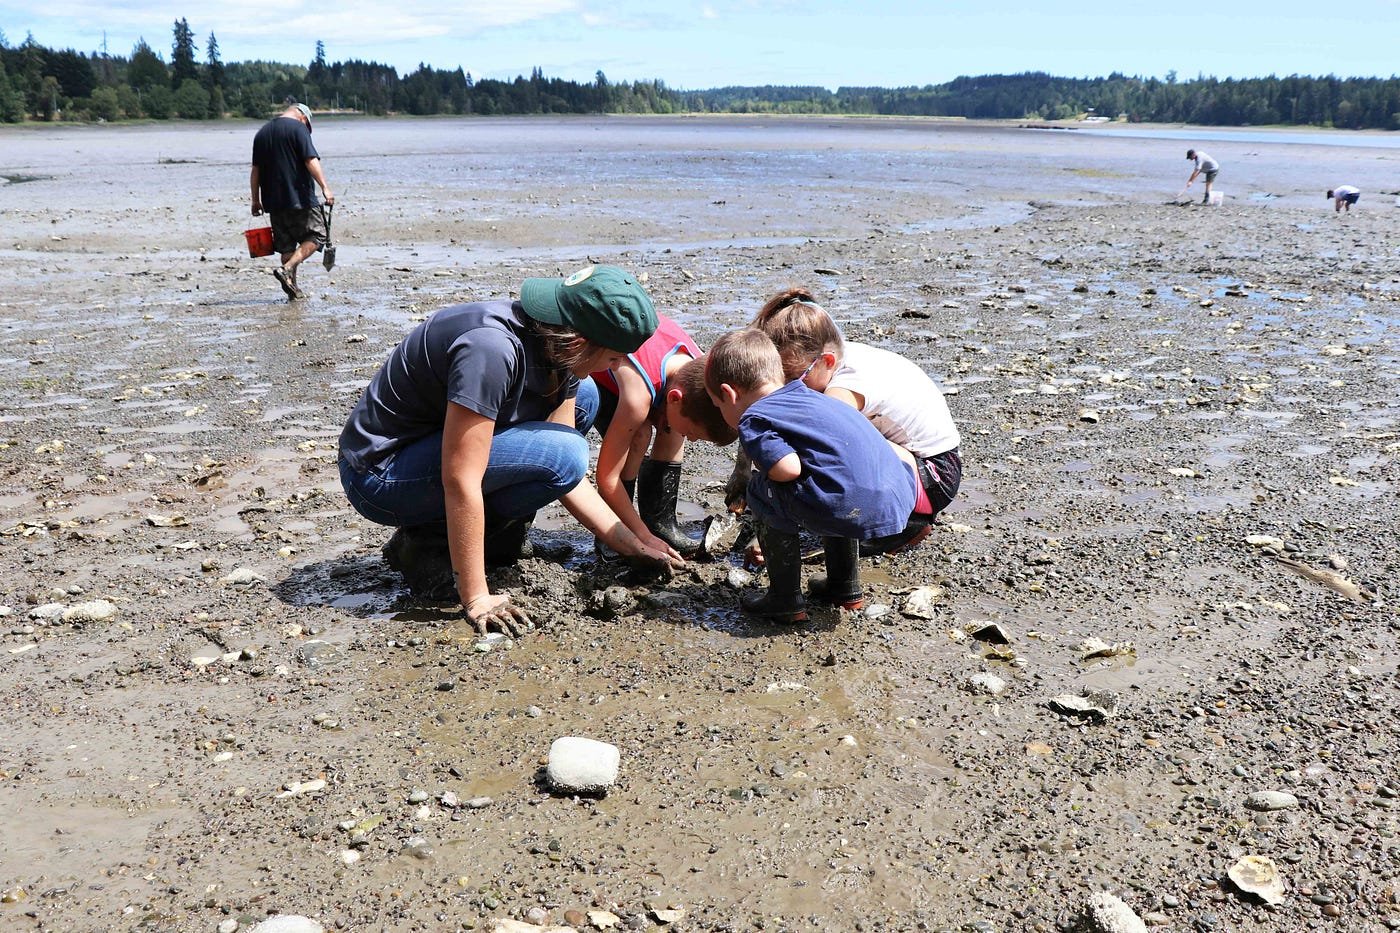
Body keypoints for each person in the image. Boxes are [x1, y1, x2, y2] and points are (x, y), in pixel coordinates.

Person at [338, 264, 680, 636]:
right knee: (565, 453)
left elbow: (564, 472)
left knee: (584, 399)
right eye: (613, 358)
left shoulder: (556, 344)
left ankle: (493, 538)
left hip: (429, 451)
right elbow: (462, 478)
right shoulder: (490, 350)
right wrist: (476, 596)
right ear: (580, 341)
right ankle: (428, 544)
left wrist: (631, 541)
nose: (615, 368)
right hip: (379, 475)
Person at [729, 287, 962, 558]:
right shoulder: (830, 355)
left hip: (933, 475)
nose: (785, 389)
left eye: (794, 379)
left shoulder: (843, 389)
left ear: (826, 361)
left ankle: (902, 526)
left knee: (817, 454)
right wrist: (742, 471)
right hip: (918, 465)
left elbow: (829, 454)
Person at [704, 328, 917, 623]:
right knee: (832, 479)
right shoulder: (816, 397)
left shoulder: (754, 417)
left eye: (717, 407)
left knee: (760, 489)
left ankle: (785, 599)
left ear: (728, 394)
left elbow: (787, 468)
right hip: (897, 498)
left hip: (849, 505)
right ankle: (844, 587)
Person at [589, 326, 737, 557]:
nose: (693, 440)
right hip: (594, 375)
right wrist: (641, 537)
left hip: (651, 377)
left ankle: (661, 522)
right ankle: (615, 527)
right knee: (640, 434)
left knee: (673, 425)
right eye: (693, 434)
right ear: (674, 397)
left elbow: (683, 410)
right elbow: (607, 479)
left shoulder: (700, 369)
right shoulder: (637, 397)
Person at [251, 102, 334, 301]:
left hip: (273, 201)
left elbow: (256, 170)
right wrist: (325, 187)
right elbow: (310, 159)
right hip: (300, 197)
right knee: (319, 234)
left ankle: (293, 289)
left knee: (287, 245)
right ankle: (287, 269)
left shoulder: (262, 133)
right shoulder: (298, 128)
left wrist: (255, 200)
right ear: (303, 117)